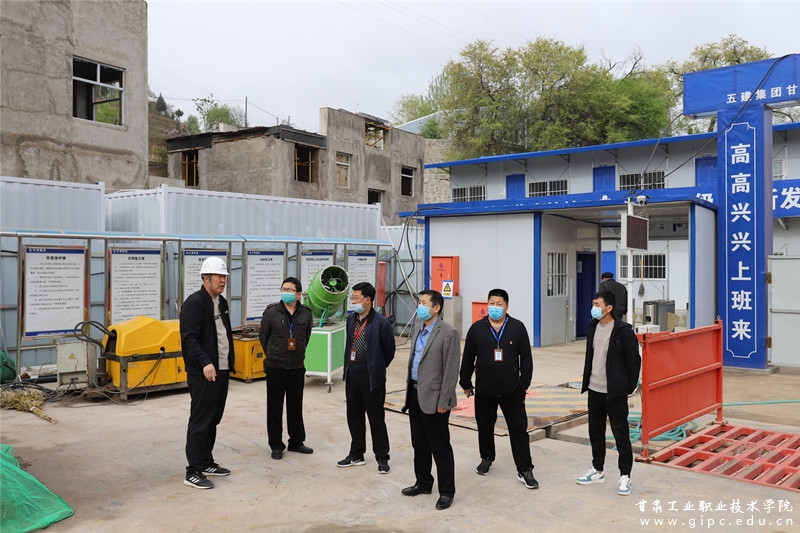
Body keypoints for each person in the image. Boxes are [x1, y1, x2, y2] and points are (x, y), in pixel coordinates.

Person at [460, 288, 537, 489]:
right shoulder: (477, 329)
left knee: (518, 429)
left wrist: (523, 386)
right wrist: (465, 382)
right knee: (485, 426)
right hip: (485, 389)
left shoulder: (517, 328)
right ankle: (486, 457)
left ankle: (525, 469)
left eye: (499, 304)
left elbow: (526, 358)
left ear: (506, 307)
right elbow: (468, 357)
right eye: (491, 303)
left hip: (512, 390)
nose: (494, 307)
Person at [576, 289, 641, 496]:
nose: (594, 308)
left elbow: (634, 362)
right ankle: (598, 470)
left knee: (620, 434)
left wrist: (626, 387)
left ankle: (625, 476)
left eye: (597, 304)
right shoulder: (593, 327)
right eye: (593, 304)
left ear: (609, 308)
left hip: (614, 393)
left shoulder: (623, 330)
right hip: (594, 389)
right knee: (595, 432)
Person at [401, 290, 461, 511]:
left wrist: (444, 400)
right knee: (419, 443)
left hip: (435, 398)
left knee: (440, 446)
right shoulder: (417, 328)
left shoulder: (448, 333)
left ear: (436, 308)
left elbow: (451, 370)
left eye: (424, 303)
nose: (420, 306)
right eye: (419, 302)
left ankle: (446, 492)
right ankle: (423, 482)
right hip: (415, 394)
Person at [180, 256, 236, 489]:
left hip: (221, 370)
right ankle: (193, 470)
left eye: (224, 277)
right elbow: (189, 339)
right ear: (206, 278)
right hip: (203, 372)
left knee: (213, 418)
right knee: (200, 420)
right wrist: (205, 362)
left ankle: (205, 461)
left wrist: (229, 362)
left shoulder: (221, 302)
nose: (222, 281)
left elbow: (223, 334)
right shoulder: (194, 303)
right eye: (218, 276)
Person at [337, 282, 396, 473]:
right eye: (352, 298)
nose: (353, 301)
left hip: (371, 379)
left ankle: (382, 457)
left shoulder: (381, 323)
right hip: (352, 375)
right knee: (354, 417)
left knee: (376, 419)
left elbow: (389, 350)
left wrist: (377, 366)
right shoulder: (351, 319)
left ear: (368, 300)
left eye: (356, 298)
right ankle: (356, 454)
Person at [259, 277, 314, 460]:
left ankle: (296, 442)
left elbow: (306, 336)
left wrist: (298, 354)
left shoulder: (306, 314)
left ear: (298, 294)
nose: (286, 293)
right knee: (274, 407)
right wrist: (272, 353)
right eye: (284, 289)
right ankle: (276, 445)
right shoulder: (271, 312)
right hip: (275, 367)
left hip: (297, 367)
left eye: (290, 290)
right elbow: (263, 337)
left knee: (295, 406)